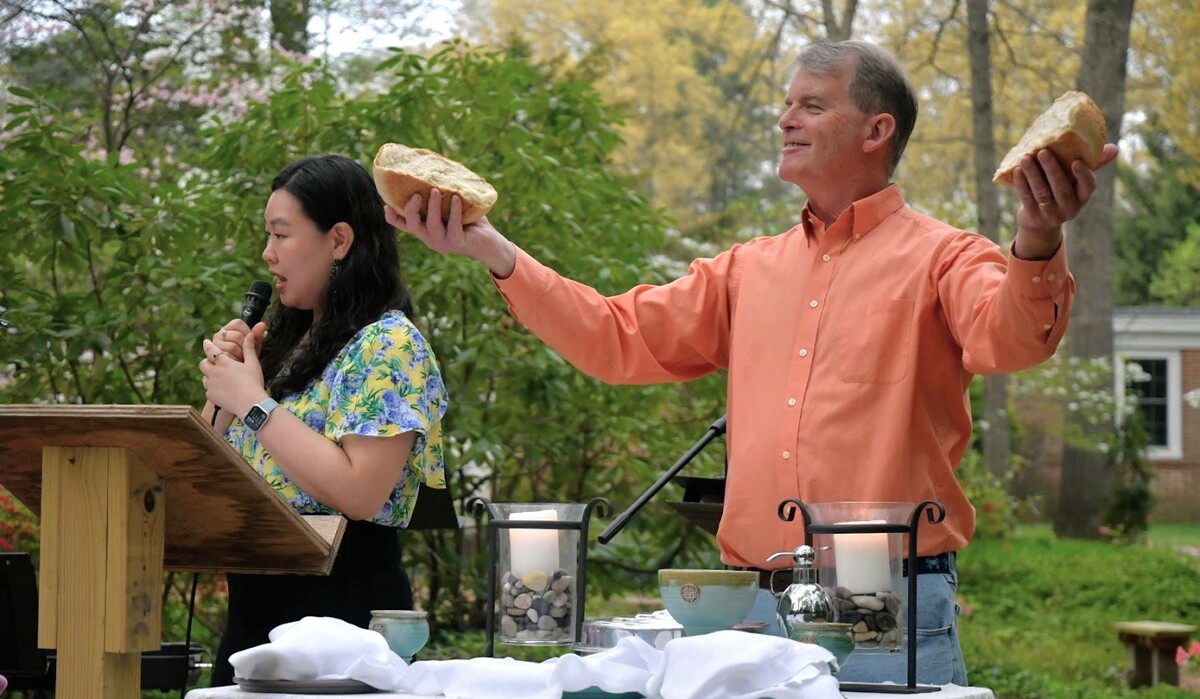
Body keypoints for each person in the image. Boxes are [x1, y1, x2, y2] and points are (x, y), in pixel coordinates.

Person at [388, 40, 1117, 685]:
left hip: (884, 598)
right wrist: (493, 249)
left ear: (876, 130)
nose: (785, 120)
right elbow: (615, 337)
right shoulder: (745, 271)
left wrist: (1036, 236)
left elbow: (1012, 339)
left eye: (810, 105)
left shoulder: (946, 255)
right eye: (785, 104)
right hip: (747, 610)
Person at [199, 154, 448, 686]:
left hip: (342, 617)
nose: (267, 255)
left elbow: (361, 493)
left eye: (281, 235)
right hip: (252, 613)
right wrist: (224, 395)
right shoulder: (284, 347)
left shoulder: (388, 343)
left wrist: (253, 402)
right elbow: (207, 473)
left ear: (339, 240)